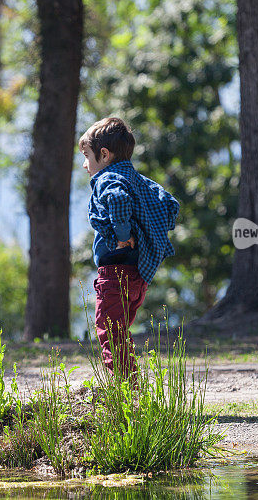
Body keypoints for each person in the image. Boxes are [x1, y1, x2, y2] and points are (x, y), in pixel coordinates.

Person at [79, 117, 180, 377]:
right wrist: (147, 232)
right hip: (138, 274)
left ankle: (126, 389)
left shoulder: (108, 179)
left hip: (115, 273)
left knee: (109, 331)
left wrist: (124, 233)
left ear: (104, 154)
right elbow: (170, 205)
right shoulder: (139, 180)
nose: (84, 164)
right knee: (119, 330)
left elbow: (117, 199)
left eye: (87, 156)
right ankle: (127, 383)